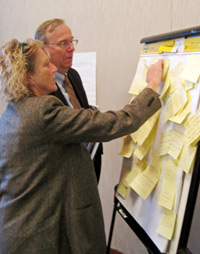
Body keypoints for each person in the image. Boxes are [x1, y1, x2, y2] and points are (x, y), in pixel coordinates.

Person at [0, 38, 163, 254]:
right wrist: (151, 87)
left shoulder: (13, 112)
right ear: (28, 76)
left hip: (19, 231)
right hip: (40, 237)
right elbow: (112, 125)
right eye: (46, 64)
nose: (54, 69)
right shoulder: (43, 111)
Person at [35, 18, 103, 183]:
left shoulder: (73, 75)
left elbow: (85, 118)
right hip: (63, 178)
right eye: (63, 43)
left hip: (88, 165)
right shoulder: (39, 90)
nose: (72, 48)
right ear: (43, 49)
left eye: (72, 41)